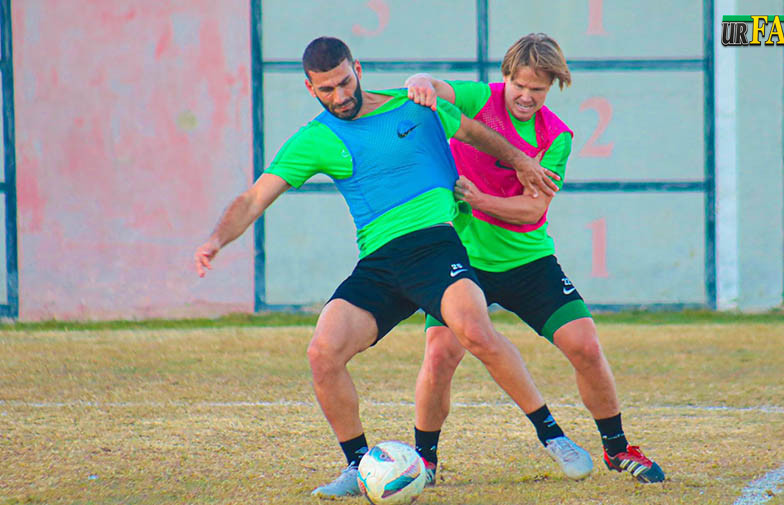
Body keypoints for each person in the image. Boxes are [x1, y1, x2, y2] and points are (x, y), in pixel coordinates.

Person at [193, 36, 593, 498]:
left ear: (357, 69)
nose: (340, 96)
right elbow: (253, 198)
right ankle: (359, 465)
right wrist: (216, 239)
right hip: (380, 263)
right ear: (310, 88)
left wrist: (522, 160)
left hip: (435, 246)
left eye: (345, 82)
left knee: (475, 331)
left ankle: (552, 435)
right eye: (327, 90)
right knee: (323, 353)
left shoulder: (414, 106)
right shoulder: (315, 139)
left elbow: (474, 132)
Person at [405, 33, 665, 484]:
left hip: (529, 261)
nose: (525, 96)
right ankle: (424, 461)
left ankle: (617, 448)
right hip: (462, 261)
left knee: (585, 345)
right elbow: (431, 85)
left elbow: (532, 211)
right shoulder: (479, 98)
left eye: (538, 89)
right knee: (439, 353)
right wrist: (419, 82)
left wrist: (477, 199)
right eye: (519, 85)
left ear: (553, 87)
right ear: (506, 77)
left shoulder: (556, 136)